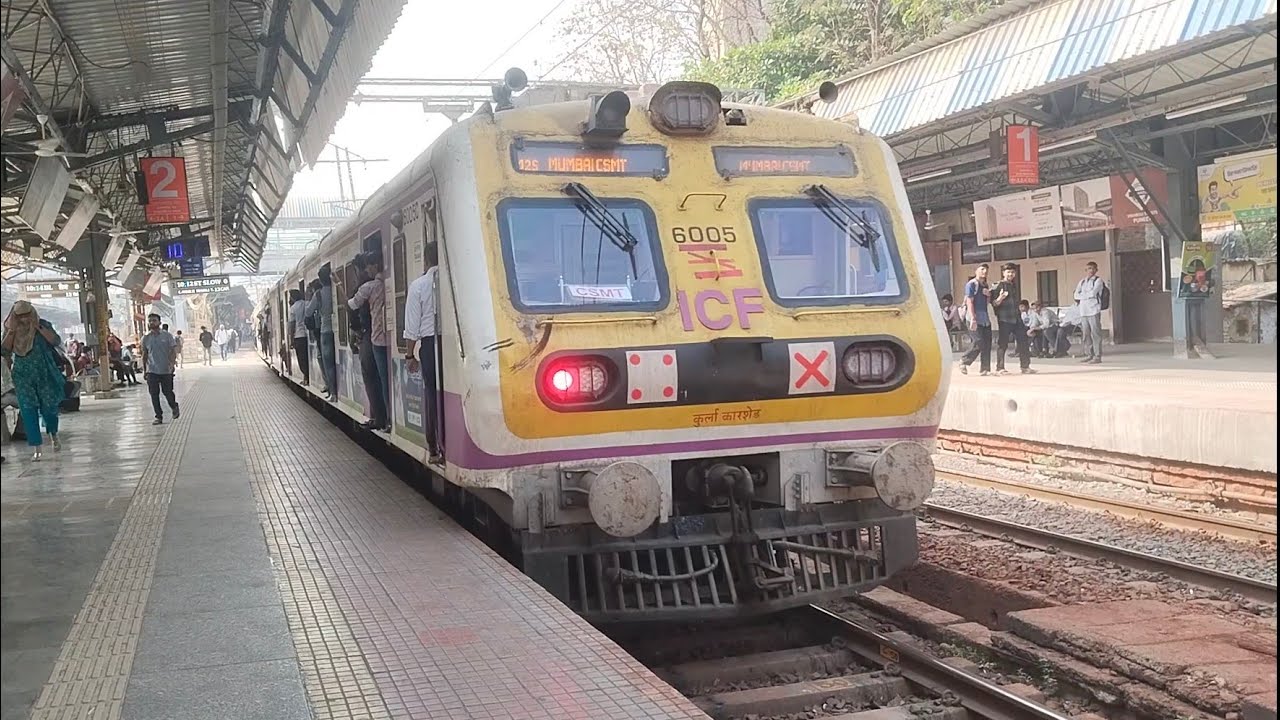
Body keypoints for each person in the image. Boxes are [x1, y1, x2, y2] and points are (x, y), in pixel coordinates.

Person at [1, 301, 66, 459]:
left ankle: (53, 434)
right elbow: (4, 350)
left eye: (26, 314)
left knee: (48, 408)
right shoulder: (11, 329)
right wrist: (11, 331)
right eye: (20, 315)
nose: (24, 319)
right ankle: (36, 447)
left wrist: (39, 328)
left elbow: (55, 341)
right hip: (23, 375)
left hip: (44, 372)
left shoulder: (42, 324)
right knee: (28, 410)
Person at [404, 242, 441, 460]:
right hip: (451, 342)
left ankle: (434, 445)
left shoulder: (419, 285)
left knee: (431, 391)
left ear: (426, 260)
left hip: (429, 344)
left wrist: (410, 355)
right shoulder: (453, 280)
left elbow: (412, 325)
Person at [349, 253, 389, 431]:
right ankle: (381, 417)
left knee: (371, 376)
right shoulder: (381, 283)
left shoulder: (366, 286)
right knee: (380, 377)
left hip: (370, 335)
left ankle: (379, 417)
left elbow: (351, 306)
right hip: (377, 334)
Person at [990, 263, 1033, 375]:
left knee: (1023, 341)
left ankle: (1025, 366)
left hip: (1016, 318)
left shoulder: (1013, 285)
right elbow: (994, 303)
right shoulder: (997, 285)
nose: (1010, 274)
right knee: (1003, 343)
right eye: (1008, 272)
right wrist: (1000, 298)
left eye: (1012, 272)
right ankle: (1000, 368)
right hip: (1005, 319)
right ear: (1003, 273)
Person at [140, 313, 180, 425]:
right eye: (150, 321)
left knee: (167, 392)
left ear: (159, 322)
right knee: (154, 394)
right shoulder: (146, 338)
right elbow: (145, 354)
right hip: (152, 370)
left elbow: (172, 351)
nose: (152, 322)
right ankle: (158, 416)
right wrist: (145, 370)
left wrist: (171, 365)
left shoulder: (167, 336)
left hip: (166, 370)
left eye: (154, 320)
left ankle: (174, 406)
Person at [308, 268, 338, 400]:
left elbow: (309, 312)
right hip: (337, 329)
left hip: (325, 330)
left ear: (320, 280)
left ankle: (334, 393)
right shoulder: (336, 289)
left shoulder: (319, 294)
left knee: (328, 364)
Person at [958, 264, 992, 376]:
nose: (984, 271)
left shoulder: (985, 285)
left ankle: (985, 368)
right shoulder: (972, 284)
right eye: (982, 269)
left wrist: (988, 296)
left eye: (986, 269)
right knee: (979, 342)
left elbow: (986, 303)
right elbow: (969, 301)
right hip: (973, 316)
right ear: (976, 271)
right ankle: (964, 360)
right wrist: (973, 318)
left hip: (984, 317)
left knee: (987, 343)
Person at [1073, 261, 1106, 364]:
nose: (1090, 271)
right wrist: (1085, 295)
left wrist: (1083, 295)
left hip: (1093, 310)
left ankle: (1097, 355)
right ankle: (1089, 354)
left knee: (1096, 333)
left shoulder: (1098, 281)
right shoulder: (1082, 282)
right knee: (1086, 334)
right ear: (1086, 270)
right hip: (1083, 311)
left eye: (1092, 268)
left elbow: (1093, 293)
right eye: (1089, 269)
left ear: (1096, 270)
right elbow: (1075, 295)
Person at [288, 289, 310, 384]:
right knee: (307, 357)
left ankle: (306, 377)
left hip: (299, 336)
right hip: (308, 335)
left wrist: (291, 340)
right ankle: (308, 377)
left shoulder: (293, 308)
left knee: (301, 358)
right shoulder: (306, 304)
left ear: (293, 297)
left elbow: (291, 325)